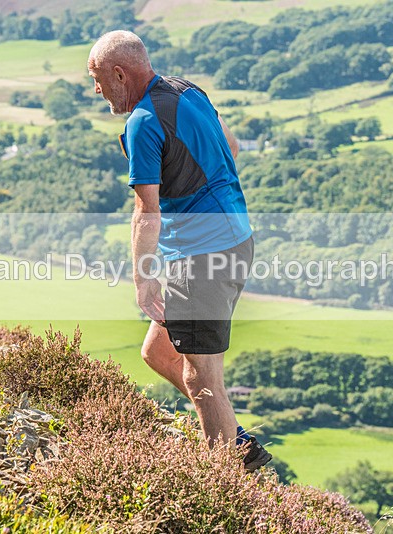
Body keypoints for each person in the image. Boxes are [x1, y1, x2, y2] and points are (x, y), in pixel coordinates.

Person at [87, 30, 272, 472]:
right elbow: (231, 147)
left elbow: (145, 211)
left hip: (200, 258)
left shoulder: (143, 122)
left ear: (119, 73)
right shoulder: (187, 89)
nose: (96, 90)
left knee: (201, 377)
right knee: (159, 353)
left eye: (97, 79)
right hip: (236, 238)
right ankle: (234, 439)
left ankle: (225, 481)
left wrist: (141, 276)